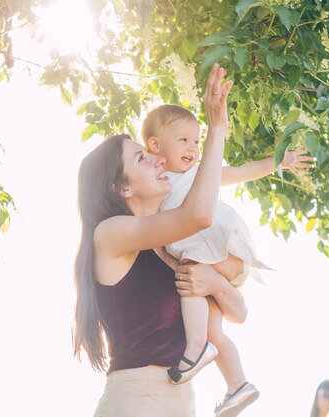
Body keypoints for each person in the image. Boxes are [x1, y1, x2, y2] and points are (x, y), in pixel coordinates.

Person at [73, 64, 246, 417]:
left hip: (182, 403)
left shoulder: (172, 248)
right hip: (135, 401)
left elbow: (239, 314)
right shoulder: (109, 235)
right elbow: (199, 214)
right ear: (122, 187)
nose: (158, 158)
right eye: (141, 157)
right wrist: (217, 129)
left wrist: (214, 281)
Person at [141, 104, 313, 416]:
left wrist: (280, 162)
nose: (193, 148)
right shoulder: (155, 181)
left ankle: (195, 349)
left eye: (196, 141)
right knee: (214, 331)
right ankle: (239, 386)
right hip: (203, 260)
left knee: (190, 278)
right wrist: (170, 261)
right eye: (184, 141)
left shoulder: (199, 173)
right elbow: (155, 238)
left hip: (219, 248)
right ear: (155, 145)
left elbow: (240, 172)